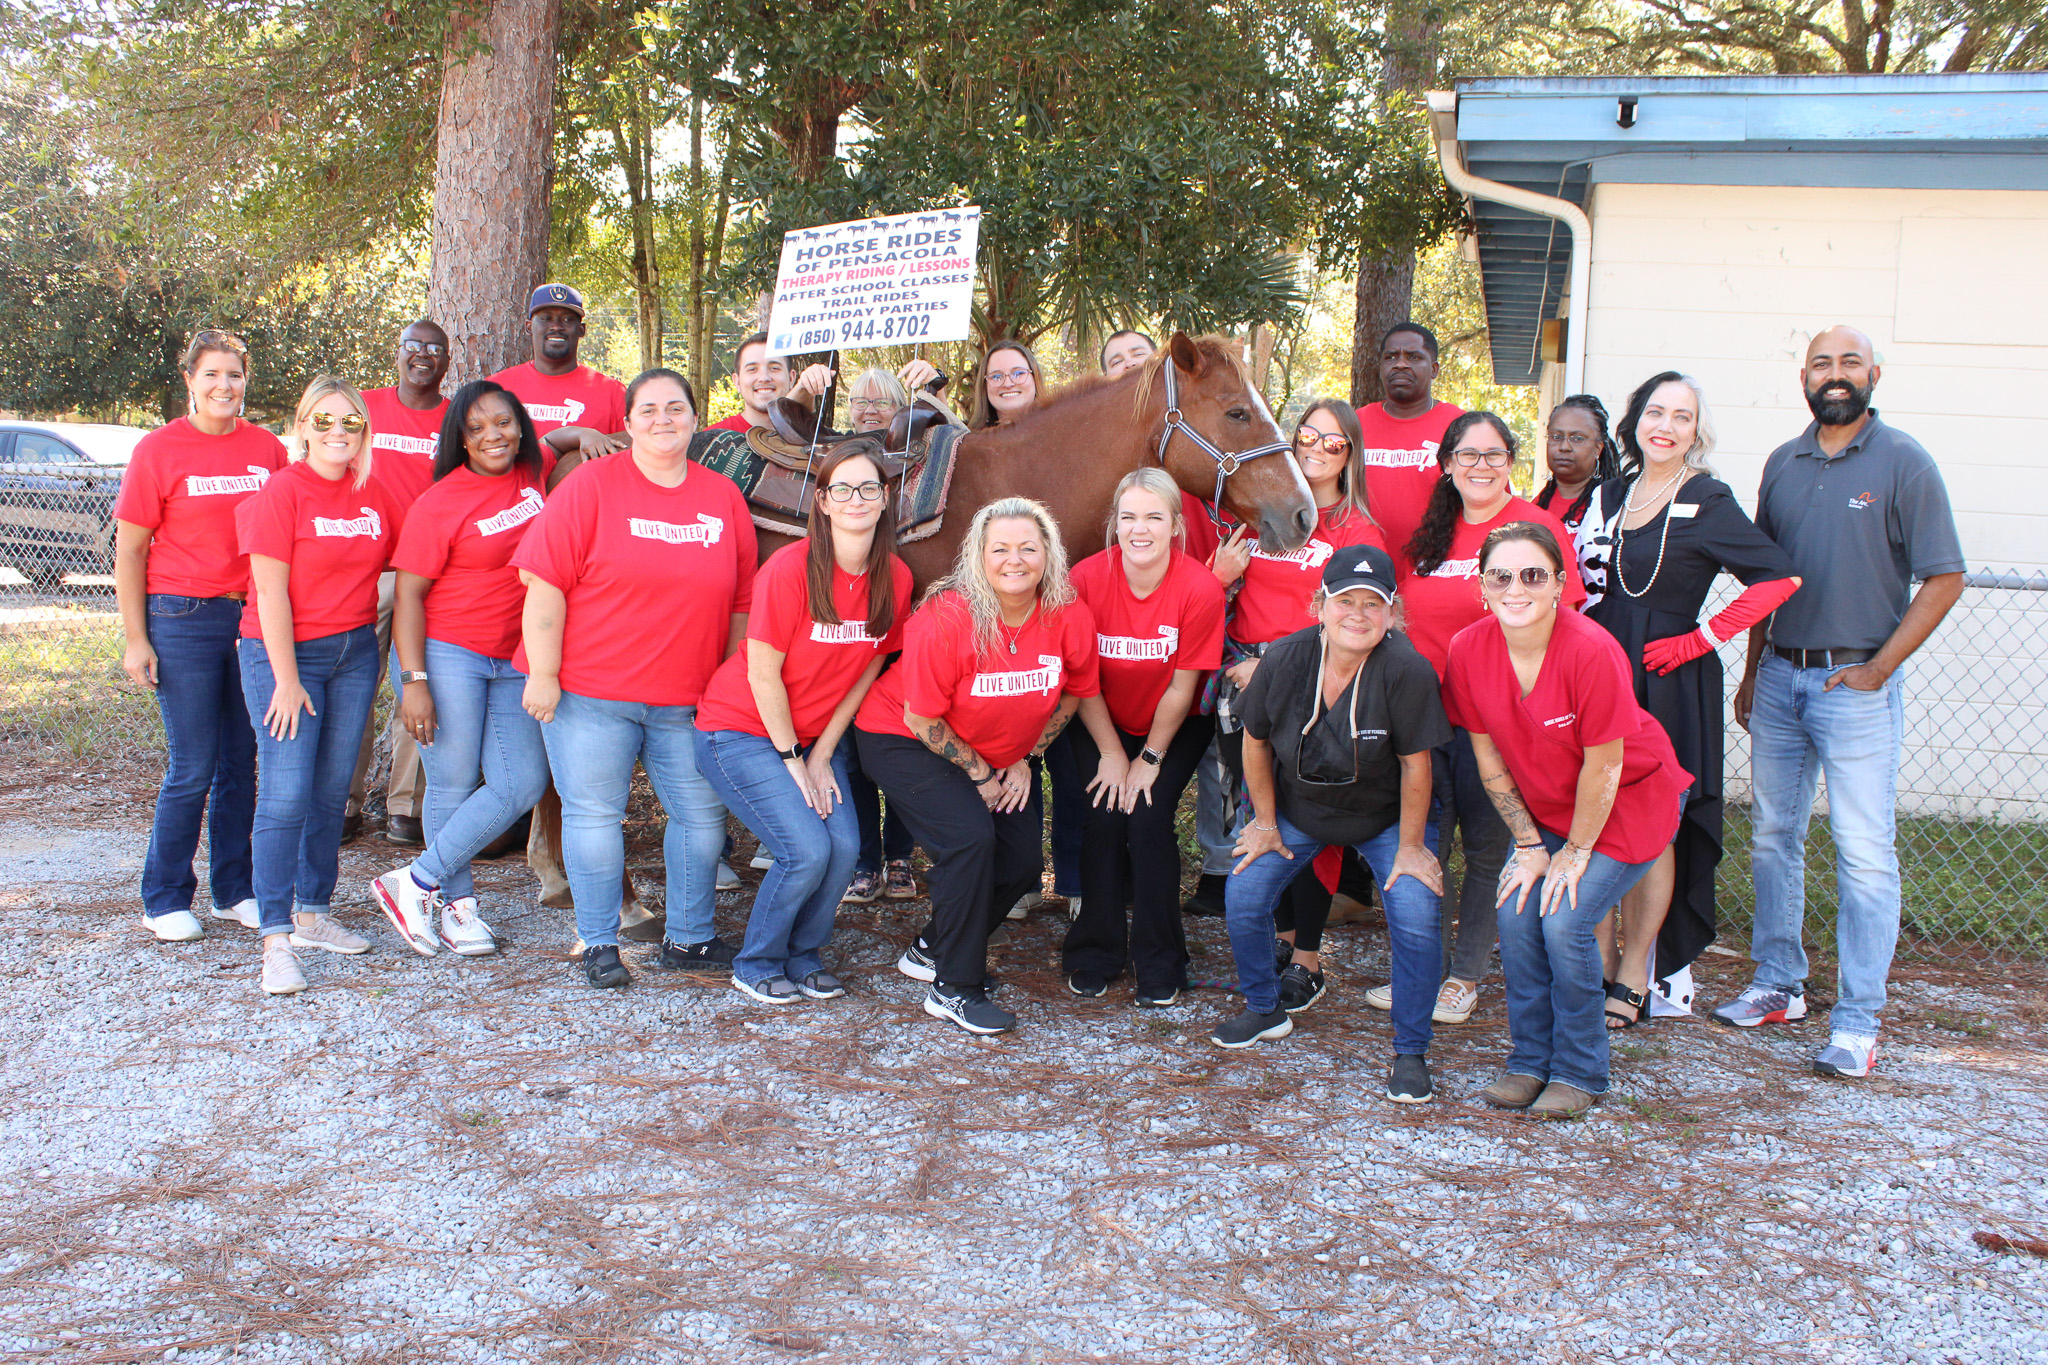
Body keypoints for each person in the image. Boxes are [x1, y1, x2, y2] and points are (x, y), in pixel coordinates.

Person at [1718, 325, 1965, 1080]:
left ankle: (1858, 1020)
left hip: (1855, 684)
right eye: (1822, 362)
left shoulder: (1904, 463)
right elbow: (1767, 581)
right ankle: (1777, 984)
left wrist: (1881, 668)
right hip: (1784, 680)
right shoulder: (1783, 465)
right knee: (1772, 838)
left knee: (1863, 855)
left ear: (1874, 375)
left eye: (1849, 362)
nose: (1836, 374)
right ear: (1804, 377)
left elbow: (1945, 577)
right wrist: (1754, 669)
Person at [512, 368, 757, 989]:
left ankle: (690, 938)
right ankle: (598, 941)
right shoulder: (591, 486)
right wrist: (543, 673)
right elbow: (544, 583)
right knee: (594, 815)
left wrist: (727, 683)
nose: (662, 420)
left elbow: (741, 603)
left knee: (701, 819)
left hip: (688, 699)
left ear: (696, 420)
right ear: (627, 423)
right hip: (591, 692)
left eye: (676, 408)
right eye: (647, 409)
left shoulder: (722, 496)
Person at [1574, 373, 1798, 1026]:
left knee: (1650, 827)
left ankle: (1637, 972)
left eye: (1682, 415)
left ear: (1696, 430)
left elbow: (1778, 578)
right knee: (1594, 810)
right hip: (1604, 671)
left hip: (1669, 676)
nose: (1666, 425)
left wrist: (1700, 639)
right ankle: (1592, 965)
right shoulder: (1608, 494)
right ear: (1636, 420)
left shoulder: (1707, 495)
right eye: (1655, 411)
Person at [1446, 522, 1691, 1119]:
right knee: (1514, 911)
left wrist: (1574, 854)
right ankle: (1530, 1060)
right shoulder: (1468, 649)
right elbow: (1488, 757)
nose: (1516, 589)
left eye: (1533, 575)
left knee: (1564, 919)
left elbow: (1605, 768)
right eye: (1500, 576)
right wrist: (1530, 845)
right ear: (1482, 586)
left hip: (1629, 796)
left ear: (1560, 583)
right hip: (1550, 810)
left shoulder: (1591, 649)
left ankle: (1581, 1068)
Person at [853, 497, 1113, 1034]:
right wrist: (982, 777)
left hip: (999, 754)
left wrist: (1024, 756)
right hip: (900, 738)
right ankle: (954, 986)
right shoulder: (946, 617)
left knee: (1019, 863)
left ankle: (931, 949)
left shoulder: (1067, 613)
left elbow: (1073, 694)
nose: (1014, 560)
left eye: (1027, 548)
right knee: (970, 840)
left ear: (1049, 555)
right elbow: (922, 719)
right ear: (978, 555)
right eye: (1000, 548)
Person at [1215, 545, 1450, 1099]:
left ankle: (1411, 1050)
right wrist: (1266, 822)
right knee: (1244, 893)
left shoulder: (1407, 669)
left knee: (1416, 914)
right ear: (1320, 604)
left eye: (1375, 604)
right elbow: (1254, 740)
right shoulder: (1287, 658)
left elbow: (1418, 766)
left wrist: (1413, 846)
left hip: (1386, 817)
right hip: (1301, 810)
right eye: (1346, 601)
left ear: (1392, 614)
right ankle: (1264, 1008)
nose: (1359, 615)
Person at [694, 444, 915, 1001]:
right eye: (842, 489)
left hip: (814, 740)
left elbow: (867, 671)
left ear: (886, 499)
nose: (856, 499)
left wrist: (820, 756)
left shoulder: (896, 577)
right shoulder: (790, 570)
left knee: (843, 847)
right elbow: (763, 676)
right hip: (739, 731)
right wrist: (795, 760)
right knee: (805, 850)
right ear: (823, 501)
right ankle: (757, 960)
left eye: (869, 488)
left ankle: (803, 952)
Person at [1393, 412, 1585, 1028]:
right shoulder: (1431, 533)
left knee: (1485, 848)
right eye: (1467, 455)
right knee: (1423, 843)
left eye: (1494, 454)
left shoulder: (1535, 527)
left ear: (1511, 461)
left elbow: (1565, 621)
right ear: (1446, 463)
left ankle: (1464, 976)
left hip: (1498, 722)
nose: (1481, 465)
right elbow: (1404, 619)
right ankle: (1421, 973)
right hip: (1426, 719)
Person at [370, 380, 556, 958]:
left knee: (521, 782)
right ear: (461, 440)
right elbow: (409, 598)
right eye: (476, 429)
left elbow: (563, 438)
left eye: (502, 422)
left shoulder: (533, 471)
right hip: (448, 652)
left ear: (520, 425)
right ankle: (458, 907)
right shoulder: (440, 502)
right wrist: (414, 682)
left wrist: (591, 435)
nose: (492, 435)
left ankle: (415, 880)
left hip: (513, 656)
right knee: (450, 782)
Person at [1212, 399, 1386, 1011]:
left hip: (1314, 680)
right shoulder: (1264, 511)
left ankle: (1308, 960)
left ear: (1351, 454)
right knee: (1261, 814)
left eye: (1333, 443)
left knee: (1312, 819)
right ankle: (1282, 940)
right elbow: (1227, 591)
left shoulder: (1355, 531)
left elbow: (1358, 619)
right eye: (1306, 436)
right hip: (1243, 678)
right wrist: (1221, 575)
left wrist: (1277, 666)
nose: (1315, 448)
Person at [235, 377, 407, 995]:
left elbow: (406, 566)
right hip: (284, 655)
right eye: (325, 421)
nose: (339, 432)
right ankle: (275, 939)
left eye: (351, 422)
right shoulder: (283, 491)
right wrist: (284, 679)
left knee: (333, 792)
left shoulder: (374, 493)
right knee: (285, 793)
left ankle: (312, 911)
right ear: (303, 427)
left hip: (354, 653)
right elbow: (269, 592)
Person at [114, 330, 286, 942]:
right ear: (190, 380)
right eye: (211, 374)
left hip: (251, 618)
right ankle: (163, 896)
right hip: (181, 617)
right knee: (193, 764)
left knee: (242, 762)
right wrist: (137, 638)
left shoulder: (267, 449)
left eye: (234, 375)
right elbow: (130, 551)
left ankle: (233, 890)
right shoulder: (159, 450)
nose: (224, 386)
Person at [1062, 469, 1226, 1006]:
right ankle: (1095, 950)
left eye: (1154, 517)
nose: (1140, 529)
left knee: (1150, 819)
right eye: (1129, 516)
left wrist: (1149, 758)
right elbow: (1082, 680)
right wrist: (1113, 753)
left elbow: (1183, 686)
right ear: (1113, 523)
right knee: (1103, 815)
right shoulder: (1085, 579)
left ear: (1176, 525)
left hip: (1173, 723)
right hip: (1100, 714)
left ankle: (1162, 960)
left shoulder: (1199, 588)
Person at [351, 319, 451, 847]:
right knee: (352, 689)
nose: (424, 356)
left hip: (426, 575)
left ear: (447, 361)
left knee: (417, 685)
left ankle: (405, 808)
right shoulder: (363, 406)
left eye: (435, 349)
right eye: (414, 346)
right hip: (364, 571)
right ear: (398, 353)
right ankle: (342, 801)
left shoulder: (456, 418)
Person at [1354, 323, 1465, 561]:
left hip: (1436, 566)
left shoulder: (1461, 426)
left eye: (1414, 357)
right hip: (1361, 572)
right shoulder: (1354, 424)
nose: (1400, 364)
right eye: (1390, 357)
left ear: (1434, 369)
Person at [490, 283, 628, 453]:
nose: (556, 326)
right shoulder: (495, 389)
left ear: (582, 330)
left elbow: (629, 456)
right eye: (546, 318)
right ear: (529, 326)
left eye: (567, 319)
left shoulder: (613, 393)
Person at [703, 333, 849, 433]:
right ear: (737, 381)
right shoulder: (713, 440)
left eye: (774, 368)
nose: (764, 377)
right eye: (752, 369)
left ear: (792, 378)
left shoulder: (812, 440)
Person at [1533, 394, 1621, 531]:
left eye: (1577, 439)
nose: (1564, 447)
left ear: (1598, 448)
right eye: (1556, 437)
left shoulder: (1614, 506)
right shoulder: (1537, 506)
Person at [968, 341, 1044, 429]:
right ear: (984, 385)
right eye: (996, 376)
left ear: (1035, 377)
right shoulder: (968, 440)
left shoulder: (1060, 433)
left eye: (1018, 373)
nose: (1008, 384)